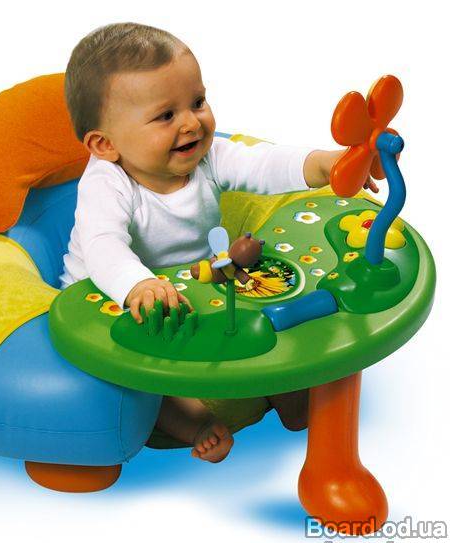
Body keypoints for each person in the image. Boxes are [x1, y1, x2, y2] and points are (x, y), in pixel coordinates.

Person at [59, 23, 376, 463]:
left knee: (271, 315)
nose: (192, 123)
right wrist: (137, 285)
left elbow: (263, 164)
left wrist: (324, 164)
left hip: (198, 287)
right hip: (112, 299)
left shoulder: (207, 157)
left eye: (198, 102)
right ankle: (196, 425)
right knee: (140, 380)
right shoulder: (107, 183)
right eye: (166, 116)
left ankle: (287, 390)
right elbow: (102, 247)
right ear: (105, 144)